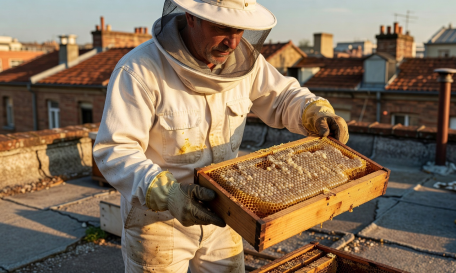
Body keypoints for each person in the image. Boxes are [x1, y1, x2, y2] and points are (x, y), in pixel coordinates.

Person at [93, 0, 349, 272]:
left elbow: (283, 96)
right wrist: (167, 194)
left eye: (240, 30)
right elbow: (115, 150)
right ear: (191, 17)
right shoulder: (139, 70)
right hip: (159, 218)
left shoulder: (245, 64)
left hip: (226, 212)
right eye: (223, 28)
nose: (233, 42)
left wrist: (312, 111)